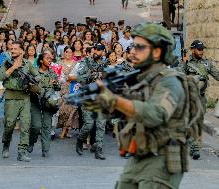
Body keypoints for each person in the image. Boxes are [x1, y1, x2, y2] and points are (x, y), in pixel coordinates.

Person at [85, 23, 188, 188]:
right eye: (132, 45)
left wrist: (115, 100)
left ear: (157, 52)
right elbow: (124, 114)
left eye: (140, 47)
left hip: (163, 158)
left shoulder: (170, 81)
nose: (132, 51)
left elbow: (156, 114)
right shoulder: (141, 79)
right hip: (139, 154)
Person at [178, 40, 219, 159]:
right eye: (199, 49)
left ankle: (193, 144)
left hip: (201, 97)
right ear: (193, 50)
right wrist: (184, 64)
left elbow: (217, 75)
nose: (201, 52)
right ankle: (193, 146)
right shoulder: (186, 61)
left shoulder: (207, 63)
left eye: (202, 49)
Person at [0, 41, 39, 162]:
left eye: (15, 49)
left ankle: (22, 152)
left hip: (25, 97)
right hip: (11, 98)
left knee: (25, 125)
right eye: (12, 49)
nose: (13, 50)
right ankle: (6, 144)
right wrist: (13, 68)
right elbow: (0, 77)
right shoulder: (6, 63)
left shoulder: (27, 64)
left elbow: (37, 76)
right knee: (9, 125)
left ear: (22, 51)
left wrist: (33, 82)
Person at [76, 43, 107, 160]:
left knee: (101, 124)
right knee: (89, 124)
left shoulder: (105, 64)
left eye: (99, 50)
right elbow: (79, 78)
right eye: (95, 49)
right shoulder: (85, 62)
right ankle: (80, 139)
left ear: (103, 52)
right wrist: (91, 74)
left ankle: (99, 149)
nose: (96, 51)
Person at [28, 52, 60, 157]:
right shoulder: (35, 72)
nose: (50, 60)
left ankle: (45, 150)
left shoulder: (52, 72)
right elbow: (32, 87)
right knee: (36, 126)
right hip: (36, 102)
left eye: (51, 58)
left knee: (47, 126)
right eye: (47, 58)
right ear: (41, 60)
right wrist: (47, 84)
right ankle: (31, 142)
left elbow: (58, 87)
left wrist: (55, 84)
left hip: (48, 103)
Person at [56, 46, 79, 138]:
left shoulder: (76, 63)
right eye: (66, 52)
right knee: (62, 109)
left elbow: (79, 76)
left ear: (73, 53)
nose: (68, 54)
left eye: (70, 52)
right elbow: (56, 76)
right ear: (64, 53)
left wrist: (72, 78)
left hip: (74, 88)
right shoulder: (59, 63)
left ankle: (66, 129)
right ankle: (63, 129)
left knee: (71, 109)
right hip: (63, 88)